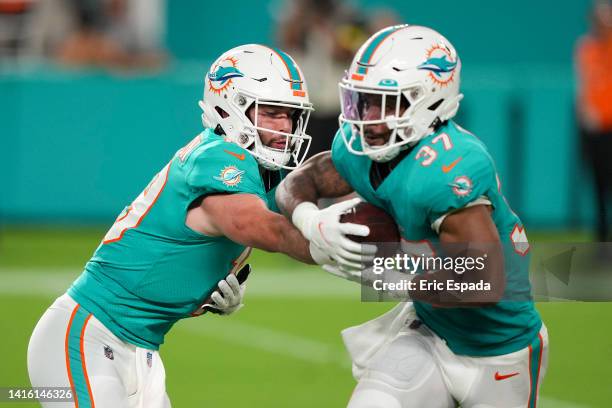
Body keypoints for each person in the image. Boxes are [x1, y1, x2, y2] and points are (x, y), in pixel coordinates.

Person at [26, 44, 367, 408]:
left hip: (141, 352)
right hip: (87, 337)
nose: (284, 126)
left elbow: (306, 181)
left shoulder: (261, 169)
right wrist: (320, 229)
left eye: (290, 114)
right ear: (228, 107)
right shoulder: (218, 155)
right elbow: (259, 226)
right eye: (272, 113)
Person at [276, 25, 548, 407]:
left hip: (499, 347)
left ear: (430, 100)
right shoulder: (360, 152)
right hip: (429, 331)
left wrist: (390, 272)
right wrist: (311, 220)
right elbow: (300, 181)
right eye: (364, 101)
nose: (368, 118)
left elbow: (485, 280)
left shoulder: (448, 167)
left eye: (385, 103)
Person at [575, 0, 612, 245]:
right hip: (593, 130)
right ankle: (601, 241)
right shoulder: (585, 48)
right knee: (599, 186)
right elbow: (583, 84)